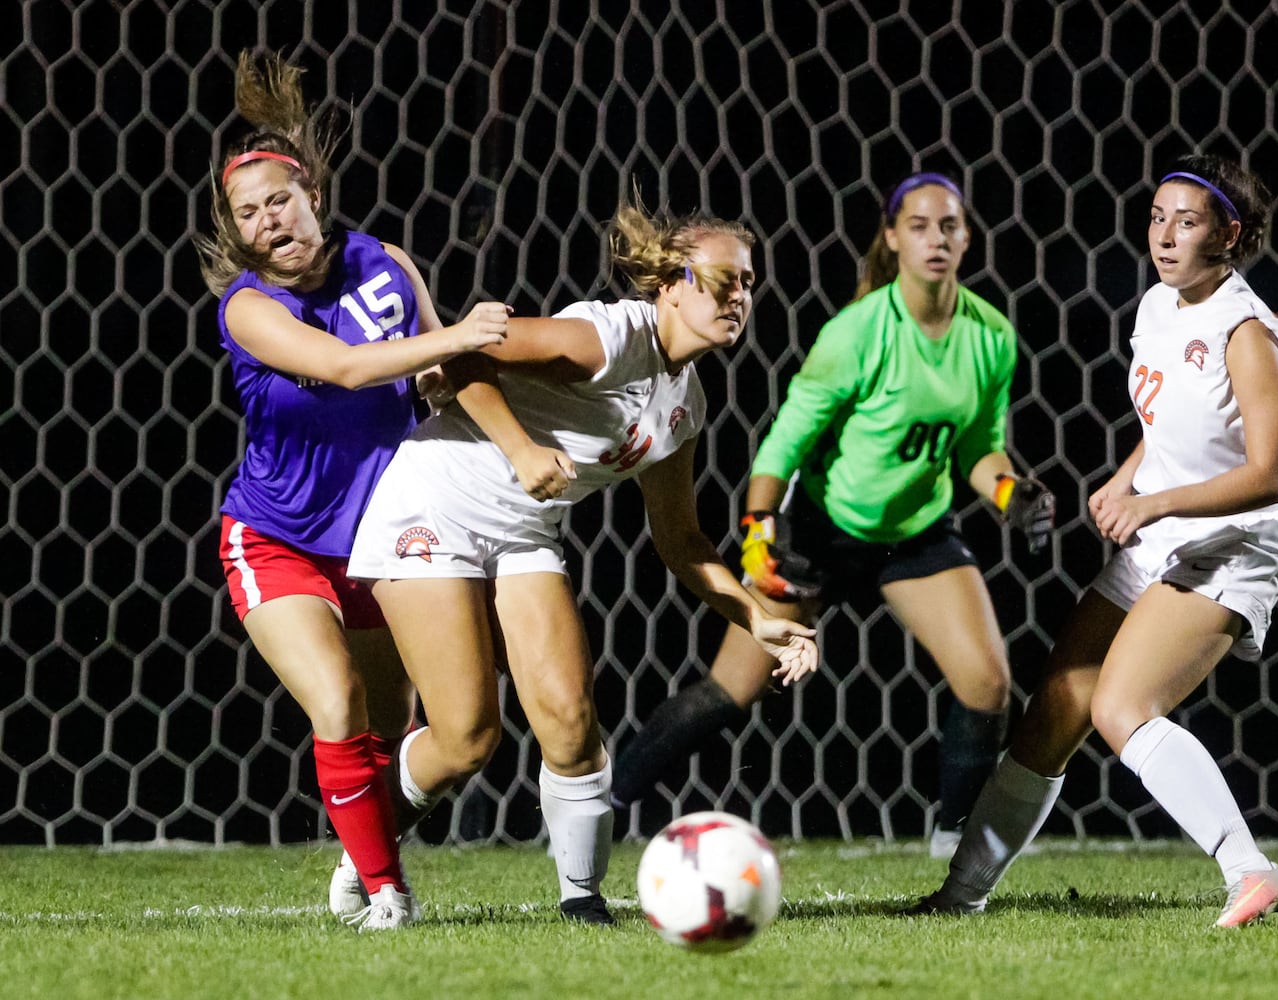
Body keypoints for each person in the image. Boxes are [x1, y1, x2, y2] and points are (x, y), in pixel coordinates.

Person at [344, 200, 820, 926]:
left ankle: (582, 905)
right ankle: (365, 852)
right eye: (721, 280)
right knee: (467, 736)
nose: (738, 297)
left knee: (569, 718)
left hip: (525, 532)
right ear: (671, 284)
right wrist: (522, 451)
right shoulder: (603, 337)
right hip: (433, 509)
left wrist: (757, 619)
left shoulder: (682, 403)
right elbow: (462, 353)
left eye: (747, 283)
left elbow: (681, 542)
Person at [611, 172, 1055, 856]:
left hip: (914, 534)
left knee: (988, 683)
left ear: (966, 238)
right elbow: (782, 446)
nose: (934, 239)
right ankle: (603, 806)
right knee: (731, 689)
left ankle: (953, 843)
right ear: (891, 239)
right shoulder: (857, 333)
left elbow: (977, 448)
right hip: (820, 528)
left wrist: (1008, 492)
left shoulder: (989, 336)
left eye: (948, 226)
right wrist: (758, 534)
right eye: (918, 226)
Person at [910, 154, 1278, 928]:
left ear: (1228, 232)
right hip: (1165, 533)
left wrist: (1153, 502)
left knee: (1123, 704)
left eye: (1185, 222)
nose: (1162, 235)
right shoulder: (1157, 305)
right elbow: (1169, 430)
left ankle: (1251, 871)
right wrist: (1129, 479)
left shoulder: (1246, 330)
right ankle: (958, 897)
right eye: (1156, 216)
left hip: (1235, 543)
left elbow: (1268, 474)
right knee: (1057, 705)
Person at [196, 51, 514, 931]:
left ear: (313, 198)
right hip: (278, 540)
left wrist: (518, 415)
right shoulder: (247, 308)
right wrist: (452, 334)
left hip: (384, 541)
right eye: (248, 214)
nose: (268, 223)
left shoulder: (385, 263)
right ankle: (387, 895)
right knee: (334, 701)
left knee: (429, 733)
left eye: (279, 203)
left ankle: (360, 853)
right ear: (237, 233)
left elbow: (438, 380)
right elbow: (341, 368)